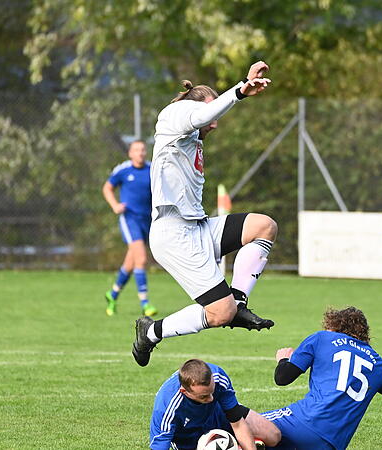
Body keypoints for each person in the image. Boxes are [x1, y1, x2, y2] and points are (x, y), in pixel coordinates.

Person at [132, 61, 276, 367]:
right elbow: (202, 115)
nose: (215, 124)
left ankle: (238, 301)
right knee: (220, 314)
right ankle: (151, 332)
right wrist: (240, 89)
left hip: (197, 227)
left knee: (264, 226)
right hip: (173, 234)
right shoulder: (172, 116)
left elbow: (204, 117)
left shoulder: (191, 138)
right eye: (211, 113)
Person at [261, 306, 382, 450]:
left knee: (247, 420)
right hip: (332, 444)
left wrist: (283, 359)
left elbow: (282, 378)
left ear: (333, 326)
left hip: (302, 422)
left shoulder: (322, 338)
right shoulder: (378, 364)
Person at [149, 358, 281, 450]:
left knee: (273, 435)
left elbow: (237, 423)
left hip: (219, 414)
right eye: (204, 396)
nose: (211, 398)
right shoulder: (166, 409)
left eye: (212, 392)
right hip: (189, 438)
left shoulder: (218, 376)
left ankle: (238, 444)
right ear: (185, 392)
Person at [102, 139, 157, 317]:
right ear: (130, 153)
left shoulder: (152, 169)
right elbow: (107, 188)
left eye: (143, 150)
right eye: (136, 150)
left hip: (147, 220)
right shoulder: (124, 170)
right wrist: (115, 205)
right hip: (129, 219)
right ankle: (145, 304)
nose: (140, 153)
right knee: (141, 259)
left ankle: (112, 295)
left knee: (131, 263)